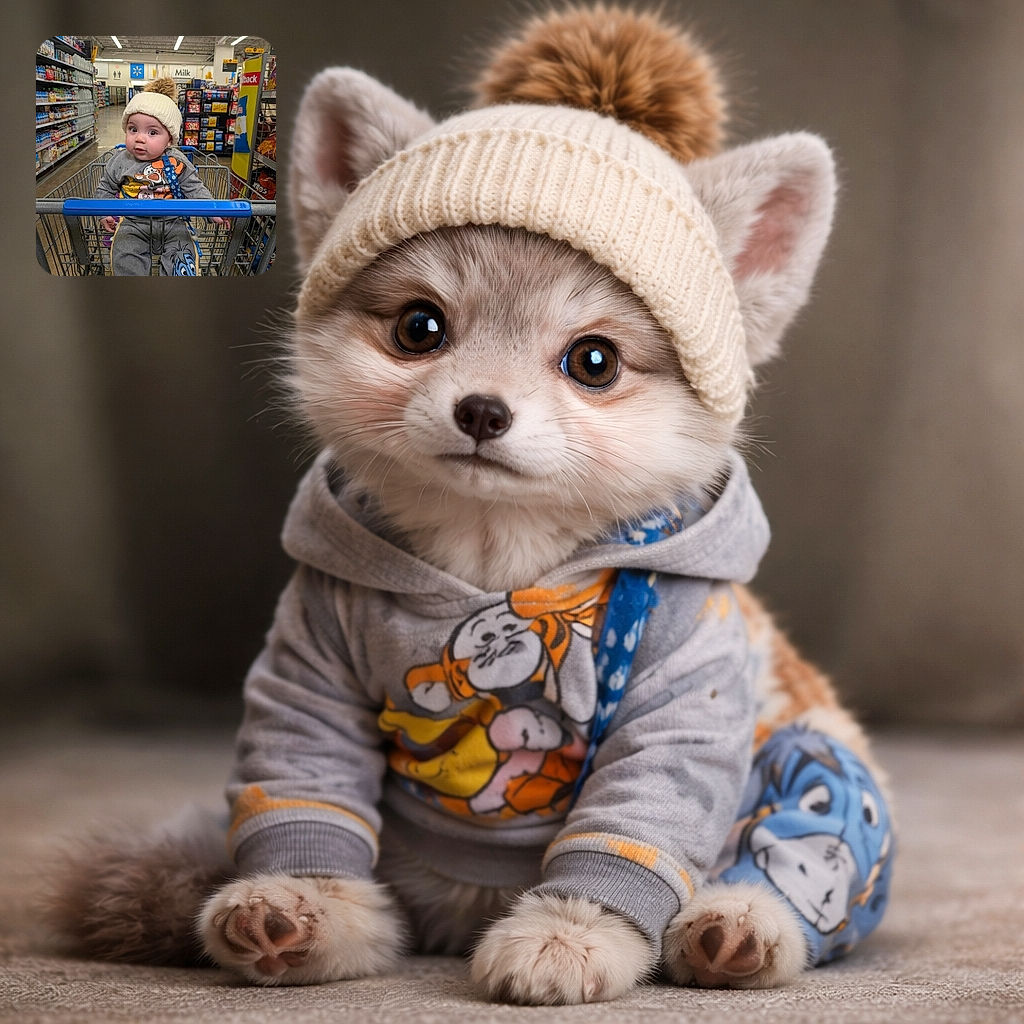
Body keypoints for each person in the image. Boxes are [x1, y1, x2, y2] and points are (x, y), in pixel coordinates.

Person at [94, 78, 227, 275]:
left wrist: (212, 210)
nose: (140, 137)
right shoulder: (120, 160)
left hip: (174, 222)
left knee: (183, 261)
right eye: (133, 129)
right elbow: (105, 188)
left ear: (169, 140)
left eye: (153, 132)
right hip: (133, 222)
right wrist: (104, 213)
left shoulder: (177, 160)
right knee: (124, 257)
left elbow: (194, 188)